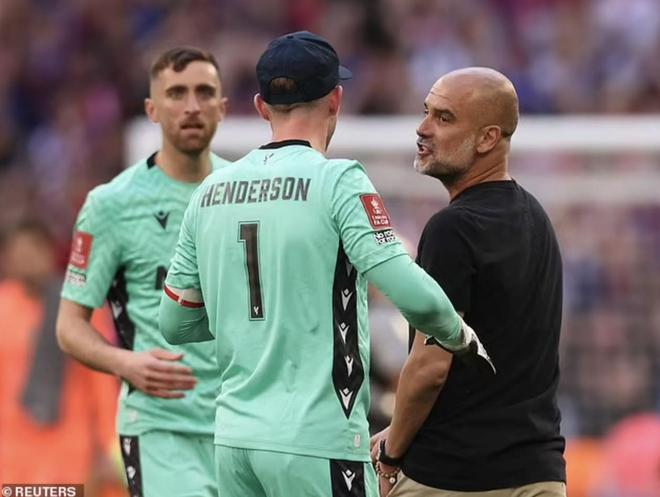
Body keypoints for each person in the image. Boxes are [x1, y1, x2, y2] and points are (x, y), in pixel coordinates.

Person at [158, 31, 491, 497]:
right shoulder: (338, 181)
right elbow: (410, 291)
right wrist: (461, 336)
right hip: (316, 440)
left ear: (261, 107)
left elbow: (174, 323)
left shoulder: (209, 192)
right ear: (336, 100)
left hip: (233, 443)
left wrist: (249, 318)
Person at [370, 67, 566, 497]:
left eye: (444, 118)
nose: (423, 129)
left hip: (454, 477)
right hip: (539, 474)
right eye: (426, 112)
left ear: (487, 138)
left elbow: (430, 367)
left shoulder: (453, 229)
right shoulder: (537, 218)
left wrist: (392, 451)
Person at [56, 47, 230, 497]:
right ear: (152, 110)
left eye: (204, 92)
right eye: (176, 93)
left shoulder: (246, 193)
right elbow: (69, 326)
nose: (192, 106)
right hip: (161, 427)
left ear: (223, 107)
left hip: (241, 426)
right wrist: (126, 363)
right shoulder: (111, 205)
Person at [0, 220, 119, 485]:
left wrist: (110, 447)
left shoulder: (81, 308)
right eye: (18, 252)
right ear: (7, 259)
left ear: (50, 252)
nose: (27, 259)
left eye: (33, 249)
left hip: (70, 454)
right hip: (11, 457)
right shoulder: (3, 307)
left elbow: (102, 383)